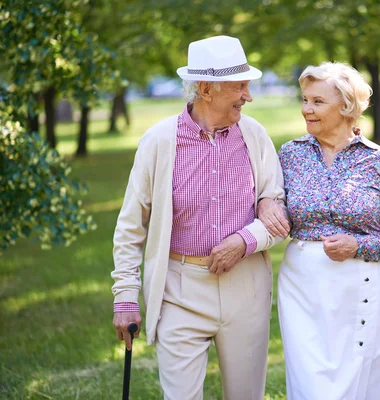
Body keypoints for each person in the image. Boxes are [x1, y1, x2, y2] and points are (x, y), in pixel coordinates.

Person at [110, 35, 289, 400]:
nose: (248, 96)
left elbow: (279, 210)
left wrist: (244, 241)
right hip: (180, 289)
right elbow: (131, 227)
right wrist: (126, 296)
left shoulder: (254, 136)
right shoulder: (159, 141)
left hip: (246, 287)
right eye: (239, 86)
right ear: (206, 89)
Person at [267, 62, 380, 399]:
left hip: (359, 286)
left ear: (346, 107)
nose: (307, 108)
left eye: (318, 102)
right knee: (310, 385)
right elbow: (270, 206)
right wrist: (268, 206)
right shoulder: (290, 154)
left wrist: (358, 245)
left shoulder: (378, 160)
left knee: (355, 383)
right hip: (302, 288)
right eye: (305, 99)